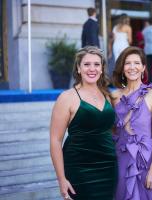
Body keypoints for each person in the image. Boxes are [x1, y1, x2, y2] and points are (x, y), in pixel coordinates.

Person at [50, 46, 117, 200]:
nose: (92, 69)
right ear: (78, 68)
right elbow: (55, 140)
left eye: (96, 64)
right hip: (79, 168)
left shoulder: (107, 95)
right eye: (86, 64)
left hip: (108, 165)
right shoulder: (67, 97)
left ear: (102, 69)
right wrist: (61, 179)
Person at [112, 46, 152, 200]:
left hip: (147, 160)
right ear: (122, 68)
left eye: (137, 63)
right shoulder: (114, 96)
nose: (132, 67)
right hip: (122, 159)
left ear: (143, 68)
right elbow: (112, 131)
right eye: (128, 63)